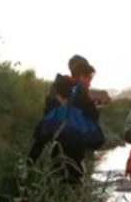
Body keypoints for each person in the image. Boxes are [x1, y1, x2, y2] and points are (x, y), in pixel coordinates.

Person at [27, 55, 101, 187]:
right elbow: (92, 116)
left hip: (54, 138)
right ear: (82, 75)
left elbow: (47, 115)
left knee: (56, 171)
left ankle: (28, 180)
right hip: (73, 140)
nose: (89, 82)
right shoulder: (79, 91)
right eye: (89, 78)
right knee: (73, 178)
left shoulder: (58, 86)